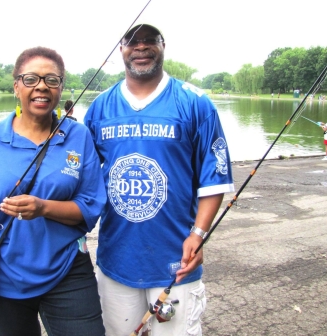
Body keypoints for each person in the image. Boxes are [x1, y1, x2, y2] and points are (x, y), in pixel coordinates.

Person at [0, 47, 107, 336]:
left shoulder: (78, 137)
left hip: (66, 268)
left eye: (52, 80)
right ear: (16, 87)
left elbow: (90, 206)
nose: (41, 86)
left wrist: (43, 208)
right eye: (30, 79)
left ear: (61, 88)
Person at [84, 24, 235, 336]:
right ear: (120, 50)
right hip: (116, 258)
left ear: (163, 46)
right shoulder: (100, 106)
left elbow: (214, 177)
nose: (141, 47)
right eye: (132, 41)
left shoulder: (195, 103)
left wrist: (198, 234)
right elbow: (84, 179)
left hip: (176, 258)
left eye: (149, 40)